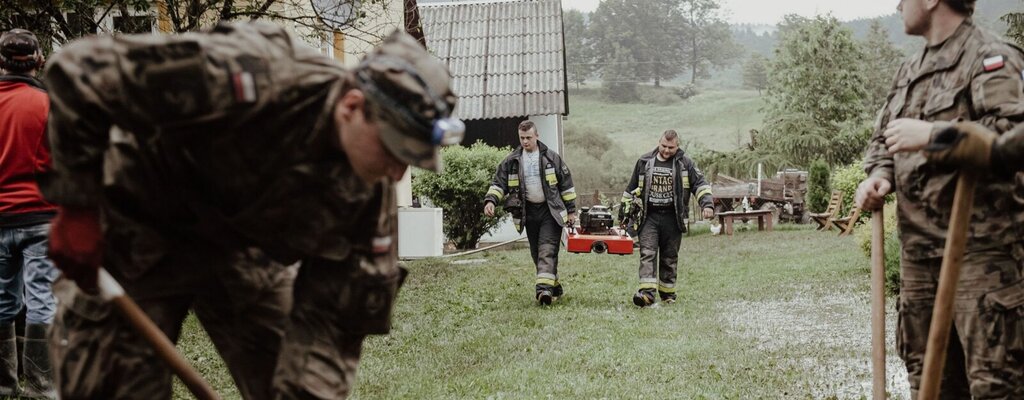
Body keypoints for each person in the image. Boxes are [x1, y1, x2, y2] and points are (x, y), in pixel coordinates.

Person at [40, 24, 462, 399]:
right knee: (107, 385)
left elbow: (332, 325)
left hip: (242, 250)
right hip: (138, 226)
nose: (397, 170)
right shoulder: (248, 74)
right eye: (394, 150)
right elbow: (81, 70)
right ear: (352, 106)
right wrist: (78, 208)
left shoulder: (368, 195)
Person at [854, 0, 1024, 397]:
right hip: (920, 259)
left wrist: (935, 136)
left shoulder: (989, 56)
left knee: (996, 385)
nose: (897, 4)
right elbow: (885, 139)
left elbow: (1013, 137)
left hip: (982, 257)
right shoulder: (909, 71)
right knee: (929, 382)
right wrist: (880, 176)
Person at [0, 28, 57, 399]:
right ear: (38, 60)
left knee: (1, 298)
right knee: (42, 297)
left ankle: (4, 384)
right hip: (41, 215)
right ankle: (41, 384)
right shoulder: (48, 103)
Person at [483, 121, 577, 305]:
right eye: (522, 138)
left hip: (551, 211)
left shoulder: (552, 158)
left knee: (547, 249)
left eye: (529, 138)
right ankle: (554, 286)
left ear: (537, 136)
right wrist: (490, 201)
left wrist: (571, 212)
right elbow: (498, 183)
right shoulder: (512, 161)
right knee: (536, 253)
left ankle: (543, 292)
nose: (525, 141)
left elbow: (566, 186)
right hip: (528, 212)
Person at [620, 130, 713, 307]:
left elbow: (700, 184)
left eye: (671, 147)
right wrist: (624, 214)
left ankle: (667, 294)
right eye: (663, 146)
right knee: (647, 253)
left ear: (677, 146)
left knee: (669, 256)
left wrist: (707, 205)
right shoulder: (644, 161)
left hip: (673, 218)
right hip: (649, 217)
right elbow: (631, 188)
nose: (666, 150)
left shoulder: (686, 164)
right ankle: (646, 294)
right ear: (659, 142)